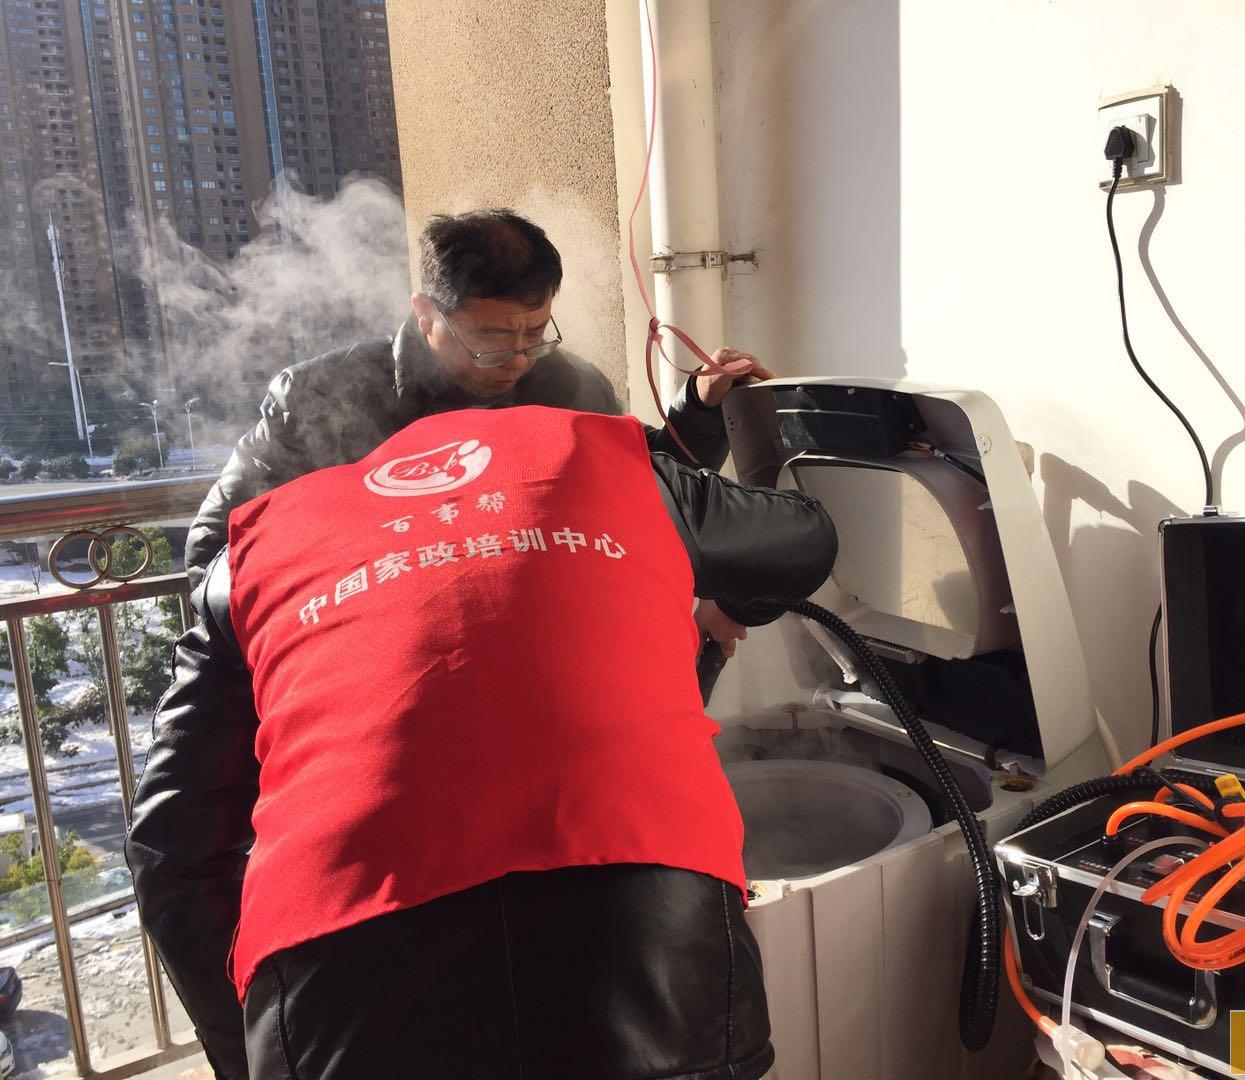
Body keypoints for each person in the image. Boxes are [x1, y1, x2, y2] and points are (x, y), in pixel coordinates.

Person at [128, 404, 837, 1079]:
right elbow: (806, 540)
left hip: (332, 996)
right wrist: (726, 607)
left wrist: (253, 1054)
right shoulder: (601, 459)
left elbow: (169, 851)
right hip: (656, 961)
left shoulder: (248, 558)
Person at [184, 208, 772, 588]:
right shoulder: (317, 396)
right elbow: (215, 551)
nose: (516, 358)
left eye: (535, 332)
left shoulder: (570, 387)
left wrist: (701, 408)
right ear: (426, 314)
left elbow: (646, 495)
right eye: (489, 336)